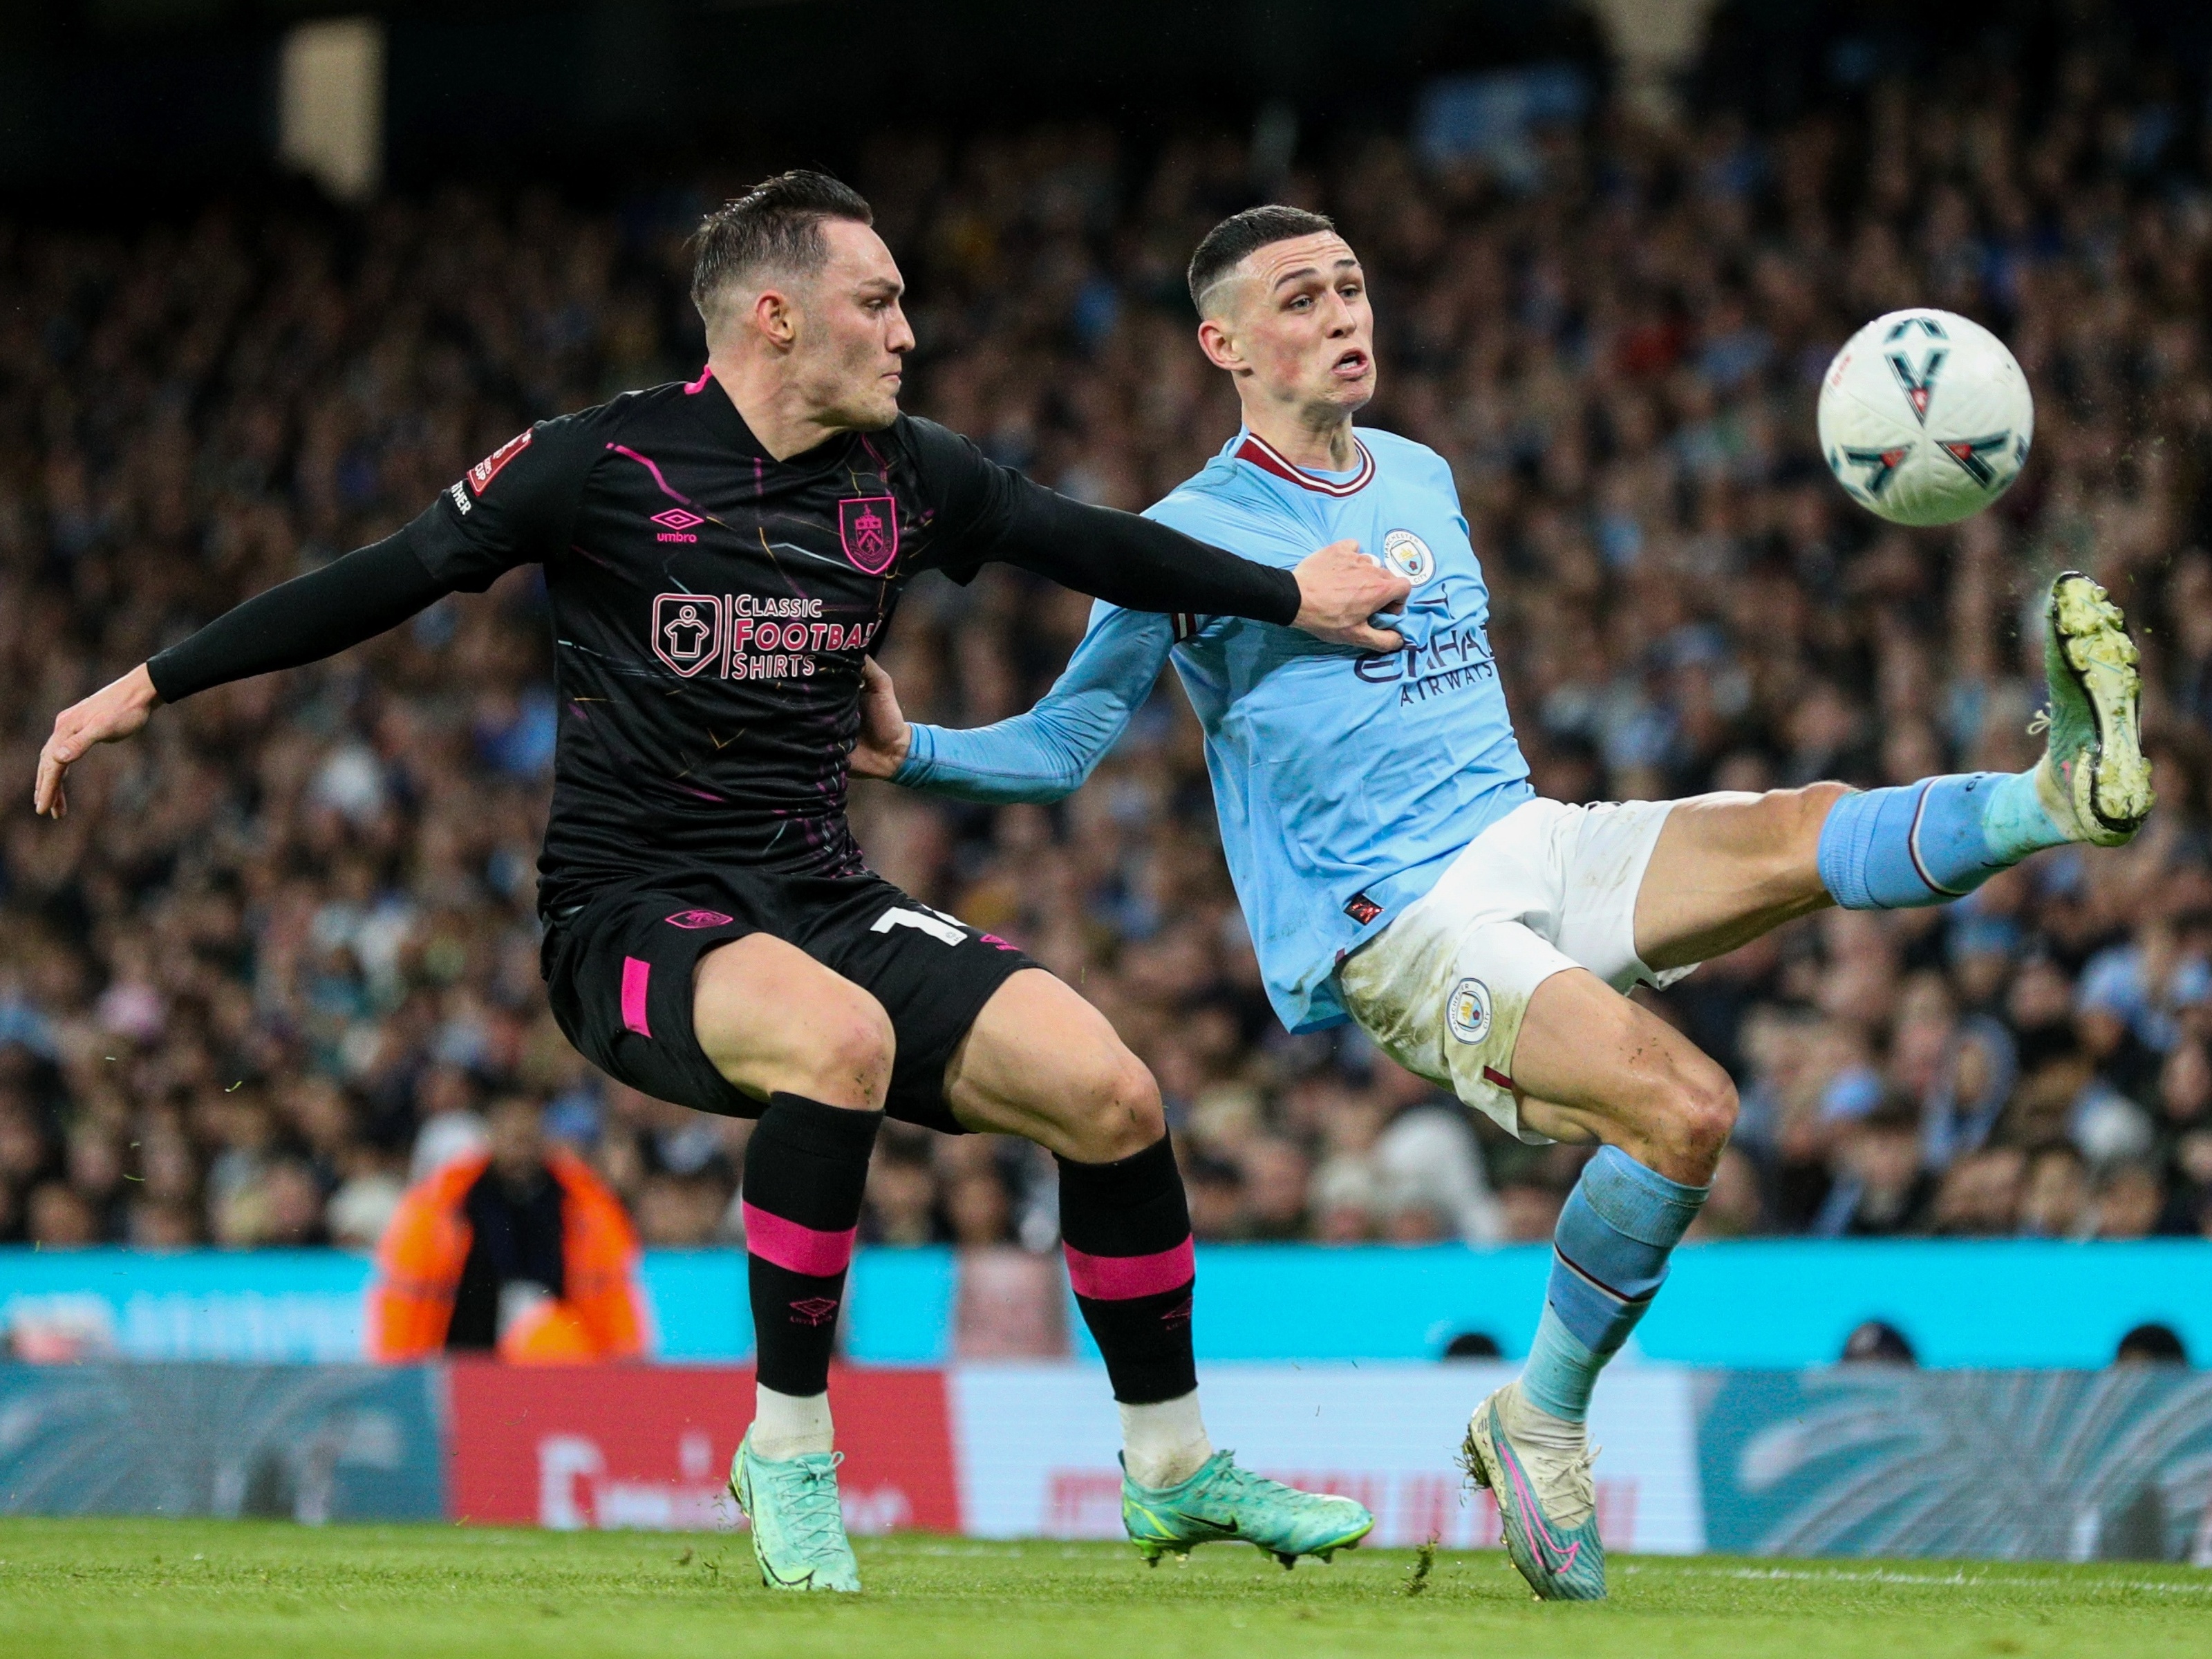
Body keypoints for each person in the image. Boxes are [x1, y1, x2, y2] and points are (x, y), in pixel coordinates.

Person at [33, 174, 1398, 1592]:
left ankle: (1172, 1468)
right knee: (838, 1040)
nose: (906, 333)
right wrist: (150, 684)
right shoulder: (600, 462)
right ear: (775, 317)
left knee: (1112, 1092)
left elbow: (1088, 542)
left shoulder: (906, 475)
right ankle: (788, 1451)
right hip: (629, 912)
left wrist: (1291, 597)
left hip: (817, 890)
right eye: (877, 303)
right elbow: (387, 576)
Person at [861, 203, 2156, 1600]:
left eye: (1353, 286)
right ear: (1222, 343)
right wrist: (911, 749)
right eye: (1299, 299)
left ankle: (2051, 799)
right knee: (1686, 1107)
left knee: (1800, 828)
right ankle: (1539, 1415)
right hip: (1403, 923)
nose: (1344, 316)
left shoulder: (1420, 471)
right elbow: (1063, 746)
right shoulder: (1184, 536)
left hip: (1526, 837)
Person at [369, 1096, 648, 1363]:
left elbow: (613, 1297)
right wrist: (400, 1375)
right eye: (511, 1138)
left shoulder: (583, 1205)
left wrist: (624, 1370)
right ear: (491, 1137)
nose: (520, 1151)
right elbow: (407, 1297)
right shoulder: (445, 1205)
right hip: (464, 1355)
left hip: (560, 1356)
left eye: (527, 1138)